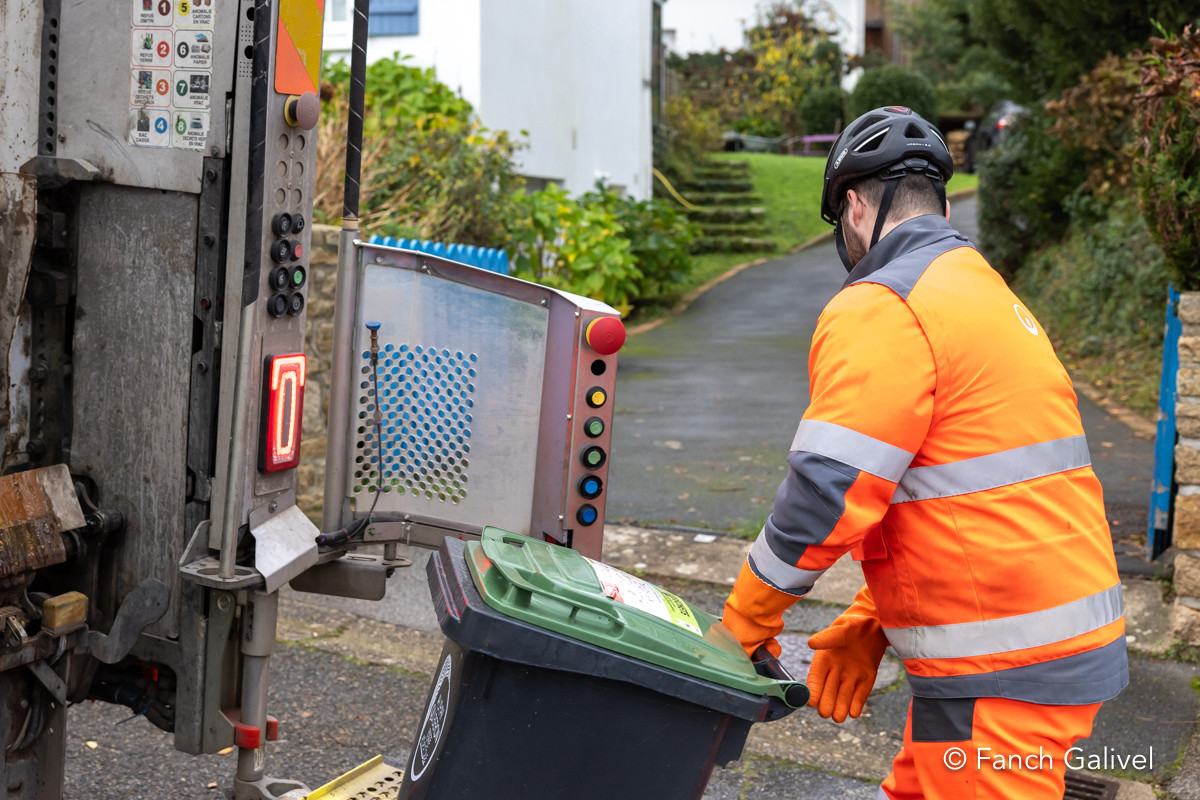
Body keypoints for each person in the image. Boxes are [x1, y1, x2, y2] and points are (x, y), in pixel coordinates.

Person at [720, 105, 1128, 800]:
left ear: (852, 208)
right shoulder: (982, 291)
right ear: (939, 200)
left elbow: (829, 490)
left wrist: (744, 620)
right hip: (1032, 648)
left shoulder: (883, 302)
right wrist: (869, 620)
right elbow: (967, 479)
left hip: (1003, 668)